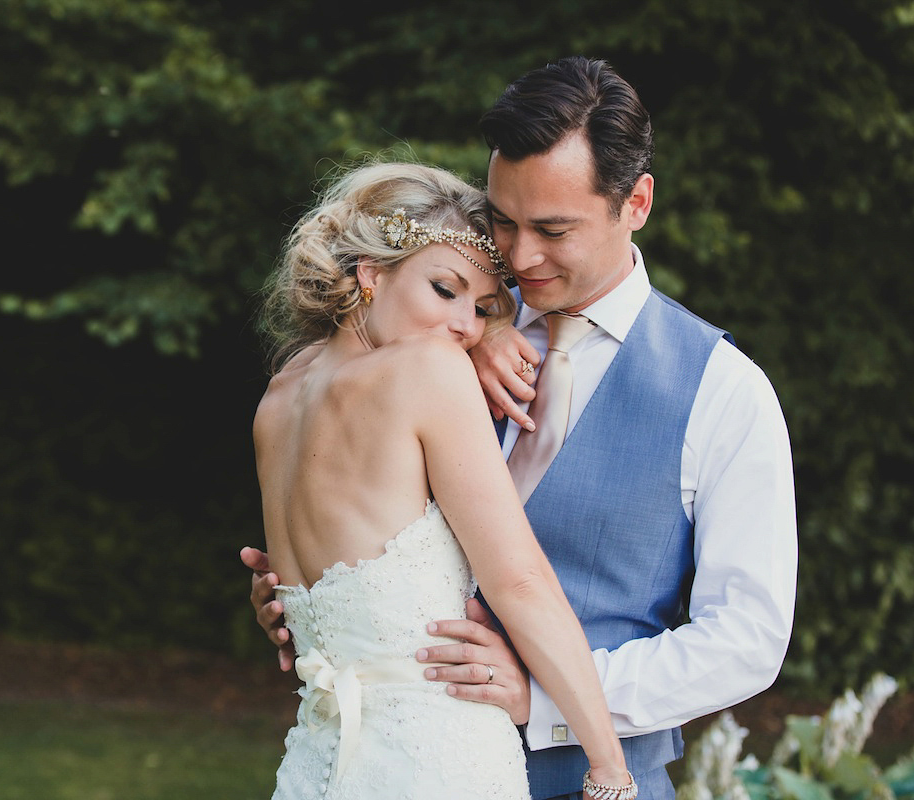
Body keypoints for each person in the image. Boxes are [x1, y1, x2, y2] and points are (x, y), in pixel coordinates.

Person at [245, 57, 798, 800]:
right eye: (503, 221)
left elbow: (746, 641)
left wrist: (550, 700)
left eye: (553, 229)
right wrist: (315, 600)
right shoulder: (446, 325)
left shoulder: (724, 393)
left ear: (635, 202)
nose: (520, 255)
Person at [251, 161, 636, 799]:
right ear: (368, 275)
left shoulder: (280, 393)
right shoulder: (429, 370)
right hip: (434, 759)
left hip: (318, 761)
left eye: (483, 308)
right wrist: (609, 768)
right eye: (444, 289)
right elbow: (519, 580)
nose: (464, 325)